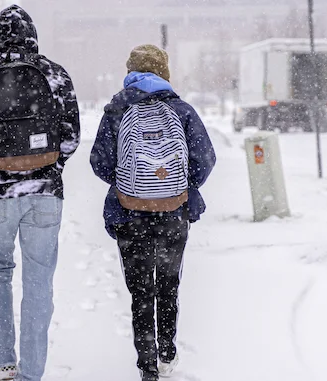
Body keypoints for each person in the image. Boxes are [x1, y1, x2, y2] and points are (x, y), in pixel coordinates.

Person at [0, 5, 80, 381]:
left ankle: (5, 363)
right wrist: (48, 165)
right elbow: (71, 137)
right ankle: (33, 373)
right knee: (39, 279)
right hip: (44, 191)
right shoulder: (54, 75)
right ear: (33, 36)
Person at [90, 44, 216, 381]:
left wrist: (126, 184)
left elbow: (98, 161)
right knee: (168, 284)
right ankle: (167, 351)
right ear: (164, 72)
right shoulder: (182, 109)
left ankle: (146, 365)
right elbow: (205, 158)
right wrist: (181, 186)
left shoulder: (117, 109)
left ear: (130, 71)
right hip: (173, 212)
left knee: (141, 290)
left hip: (130, 212)